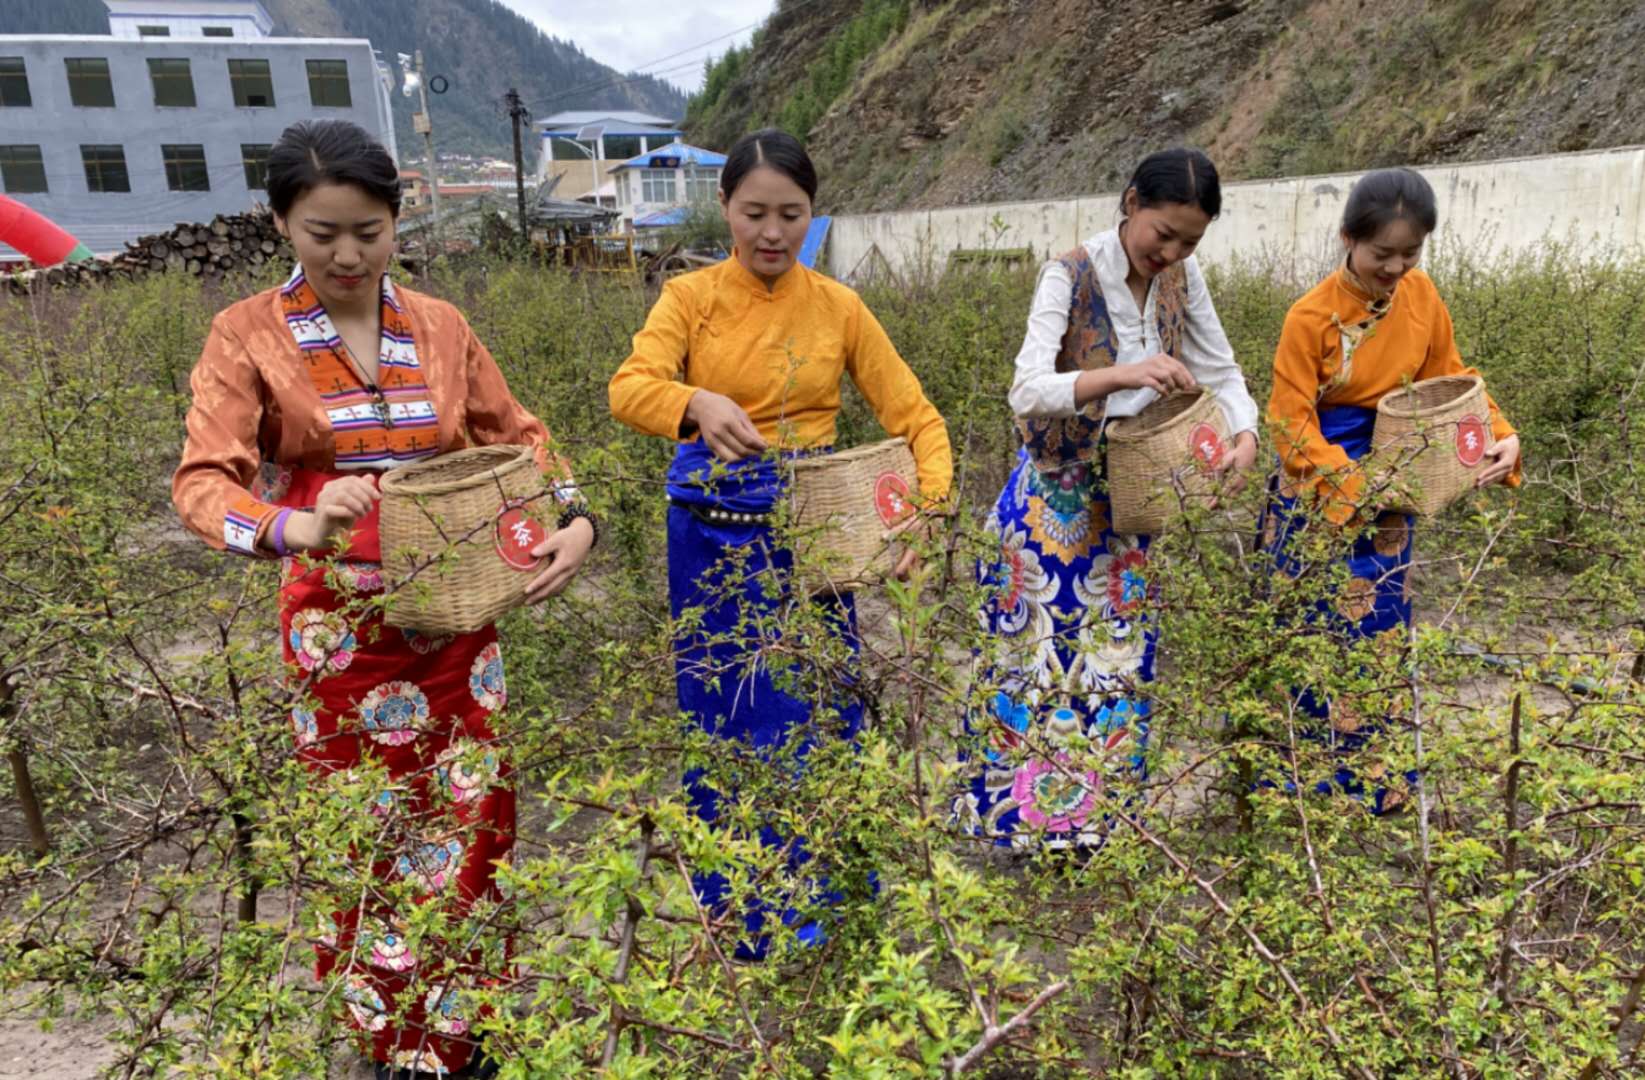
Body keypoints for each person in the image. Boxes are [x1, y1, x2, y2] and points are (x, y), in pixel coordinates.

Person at [171, 119, 595, 1079]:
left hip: (456, 618)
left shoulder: (441, 327)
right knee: (363, 827)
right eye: (323, 233)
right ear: (281, 222)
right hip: (339, 635)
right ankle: (390, 1042)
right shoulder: (245, 334)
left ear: (396, 221)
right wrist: (295, 525)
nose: (349, 254)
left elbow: (521, 436)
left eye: (369, 230)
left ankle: (465, 1029)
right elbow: (202, 482)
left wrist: (576, 519)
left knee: (472, 818)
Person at [608, 128, 952, 958]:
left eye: (790, 214)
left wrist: (929, 513)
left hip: (814, 535)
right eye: (753, 212)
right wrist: (693, 403)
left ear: (812, 214)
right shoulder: (689, 299)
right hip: (710, 539)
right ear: (723, 207)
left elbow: (918, 419)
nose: (770, 232)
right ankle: (745, 918)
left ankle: (829, 909)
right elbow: (629, 387)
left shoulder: (838, 307)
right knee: (726, 715)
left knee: (817, 712)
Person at [959, 148, 1260, 850]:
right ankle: (1018, 829)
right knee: (1031, 666)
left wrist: (1243, 434)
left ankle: (1095, 830)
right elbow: (1027, 389)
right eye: (1164, 233)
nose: (1173, 251)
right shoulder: (1067, 273)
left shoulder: (1181, 278)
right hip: (1049, 509)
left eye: (1190, 241)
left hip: (1130, 506)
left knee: (1113, 668)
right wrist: (1122, 374)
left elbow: (1221, 369)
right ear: (1130, 203)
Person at [1264, 166, 1521, 813]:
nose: (1395, 268)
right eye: (1382, 254)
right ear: (1348, 237)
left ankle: (1372, 784)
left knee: (1378, 633)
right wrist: (1352, 485)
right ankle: (1298, 789)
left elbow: (1451, 378)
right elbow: (1287, 422)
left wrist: (1497, 432)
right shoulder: (1308, 318)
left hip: (1389, 493)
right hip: (1316, 491)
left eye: (1410, 254)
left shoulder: (1423, 297)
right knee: (1309, 632)